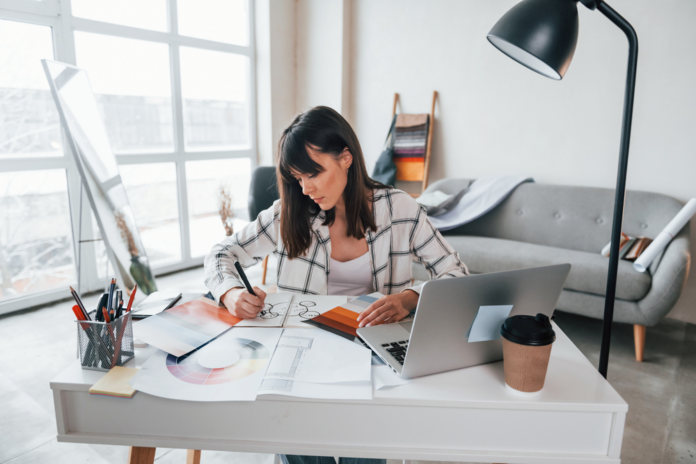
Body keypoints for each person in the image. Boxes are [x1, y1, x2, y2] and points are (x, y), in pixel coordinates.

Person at [204, 106, 468, 464]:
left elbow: (456, 273)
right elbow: (221, 253)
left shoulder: (400, 209)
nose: (306, 188)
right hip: (303, 356)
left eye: (313, 173)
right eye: (297, 177)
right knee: (300, 447)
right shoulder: (289, 211)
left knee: (365, 450)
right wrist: (231, 292)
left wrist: (409, 298)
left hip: (374, 356)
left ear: (346, 157)